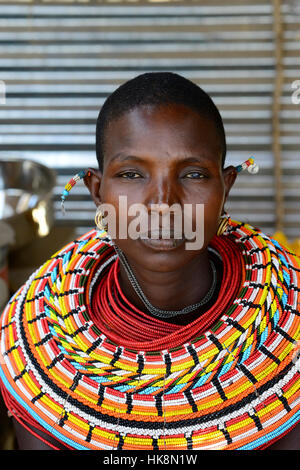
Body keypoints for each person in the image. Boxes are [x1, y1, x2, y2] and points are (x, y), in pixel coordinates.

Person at [0, 72, 299, 450]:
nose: (163, 203)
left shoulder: (290, 331)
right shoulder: (37, 347)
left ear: (225, 189)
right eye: (131, 174)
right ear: (98, 191)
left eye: (193, 174)